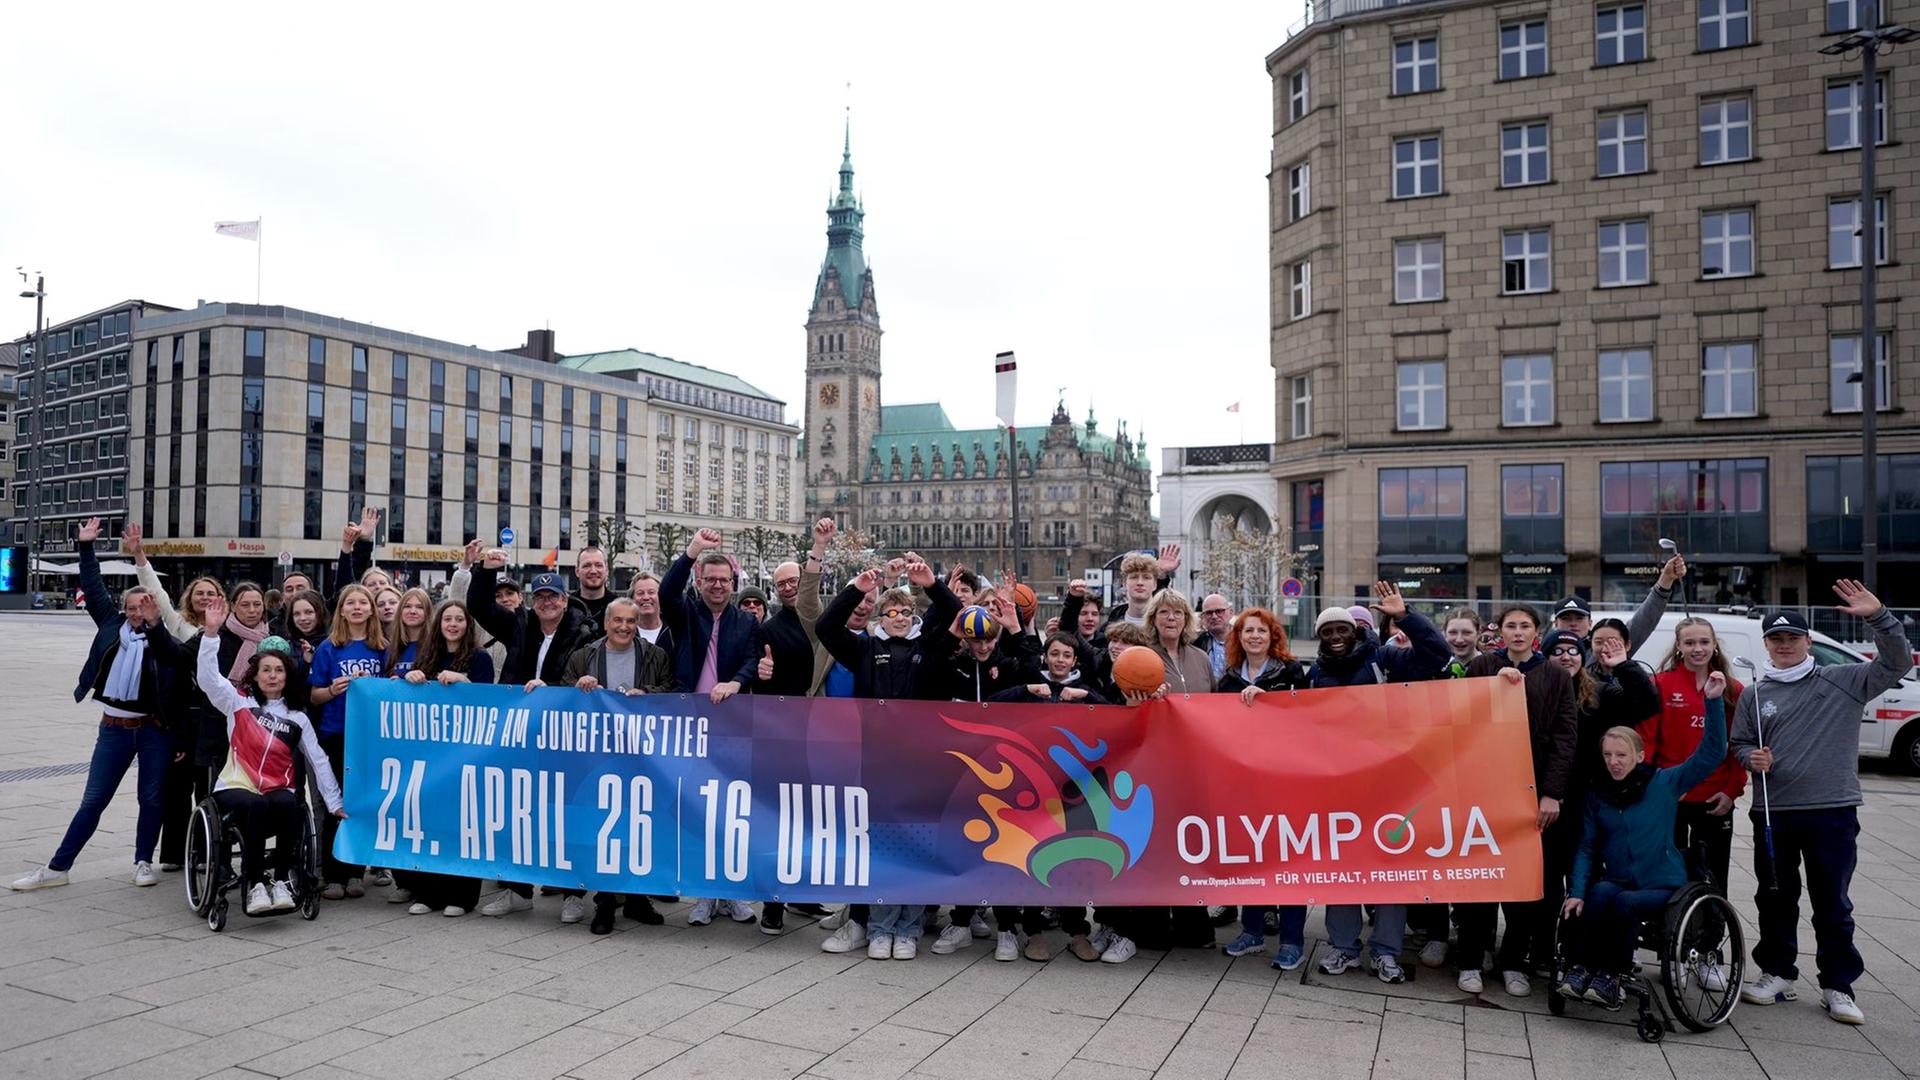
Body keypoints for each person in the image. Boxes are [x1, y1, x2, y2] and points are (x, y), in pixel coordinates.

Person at [1732, 582, 1909, 1025]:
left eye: (1793, 638)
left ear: (1808, 642)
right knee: (1774, 897)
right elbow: (1738, 743)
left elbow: (1897, 662)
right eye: (1777, 639)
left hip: (1831, 811)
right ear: (1767, 645)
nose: (1785, 645)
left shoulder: (1844, 680)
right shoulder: (1756, 692)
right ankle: (1777, 972)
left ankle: (1837, 984)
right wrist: (1750, 758)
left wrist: (1879, 615)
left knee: (1832, 901)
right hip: (1774, 813)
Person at [12, 518, 184, 892]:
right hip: (114, 729)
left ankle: (143, 861)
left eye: (146, 606)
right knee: (94, 799)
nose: (139, 612)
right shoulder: (111, 624)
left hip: (154, 730)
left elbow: (179, 687)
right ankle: (58, 867)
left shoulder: (164, 639)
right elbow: (91, 587)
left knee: (151, 798)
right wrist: (86, 546)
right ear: (125, 608)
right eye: (133, 606)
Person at [1305, 582, 1449, 984]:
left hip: (1389, 784)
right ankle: (1344, 947)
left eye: (1342, 630)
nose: (1335, 638)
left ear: (1356, 631)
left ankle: (1386, 951)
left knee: (1389, 870)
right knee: (1342, 869)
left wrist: (1405, 617)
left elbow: (1438, 657)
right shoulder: (1315, 673)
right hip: (1339, 787)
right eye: (1327, 633)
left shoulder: (1384, 658)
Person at [1560, 674, 1730, 1010]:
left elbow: (1711, 753)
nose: (1614, 762)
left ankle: (1611, 975)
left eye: (1621, 755)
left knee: (1624, 902)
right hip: (1620, 878)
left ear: (1639, 756)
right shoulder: (1600, 795)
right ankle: (1582, 968)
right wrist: (1576, 891)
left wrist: (1712, 702)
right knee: (1598, 894)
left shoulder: (1664, 782)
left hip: (1663, 883)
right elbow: (1587, 846)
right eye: (1608, 755)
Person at [818, 556, 960, 959]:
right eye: (891, 611)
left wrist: (932, 583)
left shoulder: (929, 647)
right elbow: (827, 627)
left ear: (914, 616)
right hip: (876, 764)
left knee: (916, 844)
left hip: (918, 766)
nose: (899, 617)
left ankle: (909, 929)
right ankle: (879, 927)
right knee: (879, 845)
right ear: (881, 615)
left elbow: (954, 613)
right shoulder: (864, 648)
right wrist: (856, 589)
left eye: (906, 612)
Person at [466, 555, 600, 922]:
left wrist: (550, 690)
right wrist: (487, 570)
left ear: (565, 600)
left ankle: (573, 892)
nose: (546, 602)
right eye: (540, 597)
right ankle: (518, 889)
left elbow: (584, 683)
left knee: (567, 812)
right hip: (521, 732)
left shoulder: (584, 633)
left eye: (553, 597)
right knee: (518, 810)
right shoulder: (520, 624)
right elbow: (478, 605)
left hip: (565, 735)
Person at [192, 597, 346, 916]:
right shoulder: (237, 702)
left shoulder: (297, 718)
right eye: (266, 670)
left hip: (278, 787)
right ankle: (255, 884)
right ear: (256, 674)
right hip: (236, 786)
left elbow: (318, 761)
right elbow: (208, 679)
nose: (272, 676)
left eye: (279, 670)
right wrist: (210, 634)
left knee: (289, 803)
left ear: (287, 676)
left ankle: (280, 881)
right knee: (257, 803)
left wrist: (334, 802)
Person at [1458, 604, 1576, 996]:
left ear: (1537, 631)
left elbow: (1565, 737)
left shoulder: (1556, 675)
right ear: (1501, 631)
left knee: (1523, 886)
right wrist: (1495, 684)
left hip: (1531, 795)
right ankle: (1472, 960)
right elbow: (1461, 722)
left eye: (1525, 625)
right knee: (1481, 882)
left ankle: (1514, 961)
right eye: (1511, 625)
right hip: (1486, 793)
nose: (1518, 632)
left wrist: (1551, 793)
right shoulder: (1482, 668)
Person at [659, 529, 767, 928]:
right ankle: (704, 894)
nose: (718, 585)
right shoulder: (686, 611)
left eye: (724, 580)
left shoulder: (745, 621)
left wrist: (737, 681)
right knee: (699, 811)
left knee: (733, 811)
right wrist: (692, 551)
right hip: (691, 722)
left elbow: (752, 660)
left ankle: (733, 893)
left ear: (732, 583)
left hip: (732, 724)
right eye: (711, 579)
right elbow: (668, 591)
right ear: (700, 582)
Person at [1540, 623, 1658, 977]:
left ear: (1584, 655)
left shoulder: (1602, 693)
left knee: (1586, 883)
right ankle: (1544, 951)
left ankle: (1579, 954)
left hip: (1590, 804)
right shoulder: (1538, 689)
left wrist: (1624, 665)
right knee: (1546, 883)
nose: (1566, 657)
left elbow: (1647, 704)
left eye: (1573, 650)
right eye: (1557, 651)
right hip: (1549, 801)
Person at [559, 597, 678, 934]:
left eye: (630, 621)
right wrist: (578, 687)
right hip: (596, 758)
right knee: (604, 830)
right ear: (607, 623)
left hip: (642, 757)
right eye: (618, 621)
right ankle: (605, 904)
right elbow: (563, 697)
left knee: (641, 827)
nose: (624, 627)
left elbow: (671, 691)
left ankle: (638, 899)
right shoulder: (585, 656)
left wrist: (649, 693)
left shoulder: (655, 656)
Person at [1217, 607, 1312, 970]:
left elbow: (1304, 716)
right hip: (1245, 783)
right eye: (1247, 631)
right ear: (1238, 638)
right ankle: (1252, 932)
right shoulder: (1227, 679)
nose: (1254, 636)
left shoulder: (1289, 672)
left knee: (1288, 860)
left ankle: (1292, 940)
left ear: (1273, 636)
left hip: (1285, 780)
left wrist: (1270, 700)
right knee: (1252, 858)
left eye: (1261, 630)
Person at [391, 597, 495, 918]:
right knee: (429, 823)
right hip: (431, 754)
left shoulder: (480, 658)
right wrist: (409, 679)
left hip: (466, 753)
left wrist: (465, 681)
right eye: (447, 619)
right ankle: (429, 892)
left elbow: (490, 700)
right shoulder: (428, 655)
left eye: (459, 620)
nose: (452, 624)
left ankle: (462, 896)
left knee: (462, 824)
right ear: (439, 624)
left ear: (468, 626)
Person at [1644, 617, 1746, 893]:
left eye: (1704, 642)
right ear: (1678, 646)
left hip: (1714, 799)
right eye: (1689, 642)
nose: (1697, 648)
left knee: (1712, 874)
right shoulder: (1660, 684)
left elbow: (1739, 744)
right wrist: (1652, 787)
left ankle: (1710, 932)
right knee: (1668, 872)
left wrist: (1731, 791)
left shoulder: (1733, 689)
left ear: (1715, 646)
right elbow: (1648, 740)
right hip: (1671, 795)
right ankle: (1670, 931)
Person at [306, 583, 387, 898]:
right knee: (334, 805)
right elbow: (314, 696)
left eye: (362, 602)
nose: (356, 607)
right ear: (341, 610)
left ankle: (356, 872)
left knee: (362, 804)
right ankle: (333, 873)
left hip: (370, 738)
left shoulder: (382, 646)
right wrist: (332, 691)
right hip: (336, 733)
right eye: (349, 602)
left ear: (371, 609)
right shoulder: (329, 647)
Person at [1550, 553, 1683, 649]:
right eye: (1566, 618)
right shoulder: (1543, 657)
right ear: (1555, 623)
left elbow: (1643, 622)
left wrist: (1666, 579)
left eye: (1579, 618)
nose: (1573, 624)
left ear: (1590, 623)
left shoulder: (1606, 652)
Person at [1145, 589, 1214, 696]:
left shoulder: (1202, 658)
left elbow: (1214, 701)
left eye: (1178, 612)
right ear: (1153, 619)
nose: (1171, 618)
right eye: (1164, 612)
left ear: (1186, 619)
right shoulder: (1143, 657)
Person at [384, 587, 433, 678]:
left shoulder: (435, 647)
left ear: (427, 612)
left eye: (420, 607)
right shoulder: (391, 649)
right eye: (407, 606)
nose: (412, 611)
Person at [279, 590, 331, 667]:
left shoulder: (333, 644)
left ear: (320, 613)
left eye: (309, 612)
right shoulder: (287, 648)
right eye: (296, 614)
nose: (302, 618)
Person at [1195, 594, 1235, 682]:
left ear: (1231, 613)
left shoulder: (1244, 642)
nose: (1214, 616)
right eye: (1209, 613)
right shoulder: (1195, 643)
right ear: (1202, 617)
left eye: (1219, 611)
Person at [572, 546, 615, 626]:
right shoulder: (566, 607)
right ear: (577, 571)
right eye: (587, 566)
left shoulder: (619, 606)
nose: (593, 571)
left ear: (607, 570)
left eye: (598, 565)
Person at [1440, 606, 1483, 678]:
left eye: (1466, 633)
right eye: (1453, 632)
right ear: (1445, 633)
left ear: (1478, 633)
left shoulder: (1491, 666)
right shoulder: (1437, 666)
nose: (1459, 640)